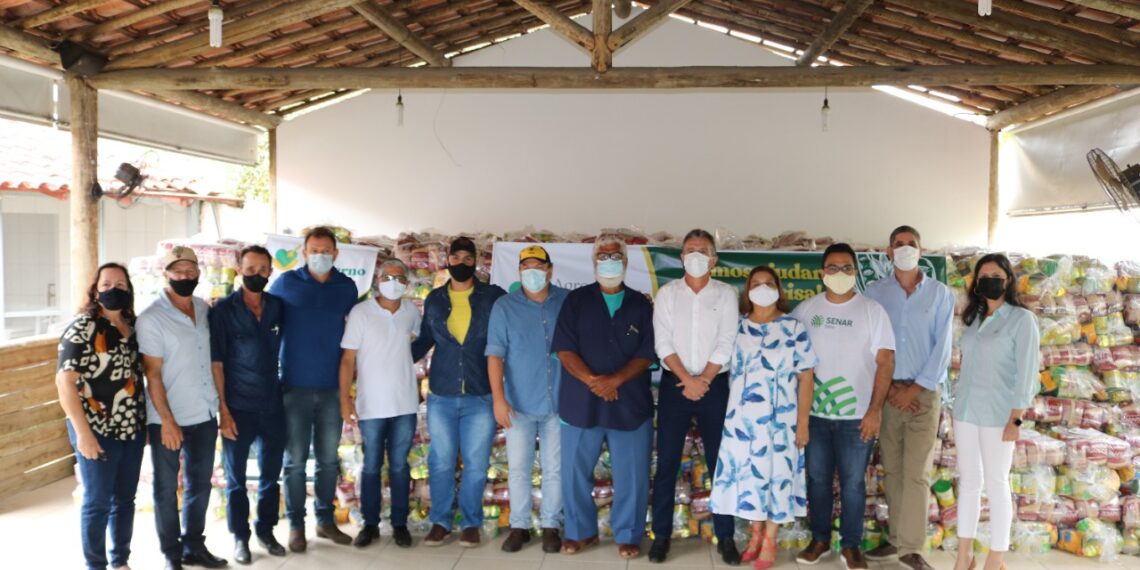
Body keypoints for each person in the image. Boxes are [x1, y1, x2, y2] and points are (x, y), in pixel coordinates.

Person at [791, 243, 895, 570]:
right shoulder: (806, 311)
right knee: (818, 480)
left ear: (855, 272)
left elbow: (886, 361)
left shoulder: (871, 311)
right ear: (822, 273)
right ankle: (820, 539)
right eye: (833, 268)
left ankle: (851, 545)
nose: (839, 274)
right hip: (815, 417)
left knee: (852, 484)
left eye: (846, 268)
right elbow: (789, 358)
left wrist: (875, 410)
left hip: (856, 418)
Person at [552, 234, 656, 560]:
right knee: (572, 472)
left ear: (625, 263)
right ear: (594, 262)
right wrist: (594, 382)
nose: (609, 261)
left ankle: (628, 535)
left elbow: (647, 353)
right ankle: (581, 533)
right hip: (580, 402)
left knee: (633, 475)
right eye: (603, 256)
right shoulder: (576, 301)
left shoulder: (641, 304)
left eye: (615, 256)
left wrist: (615, 380)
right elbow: (564, 349)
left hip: (630, 404)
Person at [711, 266, 817, 570]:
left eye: (769, 283)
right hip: (741, 420)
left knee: (777, 477)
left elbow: (806, 378)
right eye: (755, 284)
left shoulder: (794, 328)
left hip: (781, 420)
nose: (762, 288)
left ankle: (771, 539)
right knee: (748, 477)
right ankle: (755, 534)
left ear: (779, 289)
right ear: (746, 291)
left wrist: (803, 423)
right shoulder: (736, 327)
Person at [863, 226, 955, 570]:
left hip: (923, 396)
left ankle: (912, 547)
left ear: (921, 250)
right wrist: (890, 391)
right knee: (894, 470)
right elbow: (869, 346)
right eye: (898, 244)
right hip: (885, 393)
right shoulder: (874, 293)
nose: (904, 249)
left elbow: (943, 348)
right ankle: (895, 540)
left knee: (916, 472)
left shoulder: (940, 294)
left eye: (910, 244)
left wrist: (914, 389)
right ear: (888, 252)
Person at [649, 229, 741, 565]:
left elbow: (727, 341)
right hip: (676, 384)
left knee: (720, 463)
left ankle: (726, 537)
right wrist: (688, 379)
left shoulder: (726, 294)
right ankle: (661, 537)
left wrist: (703, 379)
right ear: (681, 257)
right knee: (668, 464)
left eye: (703, 250)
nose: (697, 255)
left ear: (714, 259)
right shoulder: (668, 294)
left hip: (714, 386)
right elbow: (663, 343)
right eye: (691, 249)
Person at [411, 236, 506, 547]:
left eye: (469, 258)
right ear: (447, 260)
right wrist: (392, 354)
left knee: (477, 463)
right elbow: (425, 339)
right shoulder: (435, 299)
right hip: (442, 393)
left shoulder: (493, 297)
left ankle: (470, 523)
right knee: (441, 460)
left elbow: (510, 331)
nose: (462, 263)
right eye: (457, 257)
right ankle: (440, 521)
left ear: (476, 262)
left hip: (481, 394)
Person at [269, 226, 359, 552]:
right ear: (304, 253)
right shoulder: (286, 284)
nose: (320, 255)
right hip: (293, 387)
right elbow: (267, 326)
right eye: (314, 250)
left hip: (333, 388)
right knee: (294, 462)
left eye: (326, 250)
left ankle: (325, 521)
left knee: (328, 461)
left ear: (335, 254)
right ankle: (296, 525)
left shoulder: (346, 287)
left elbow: (354, 338)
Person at [138, 246, 227, 570]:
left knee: (200, 485)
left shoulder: (204, 309)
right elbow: (153, 374)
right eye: (178, 271)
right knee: (165, 488)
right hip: (168, 419)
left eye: (191, 270)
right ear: (166, 274)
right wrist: (167, 422)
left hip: (203, 414)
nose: (185, 276)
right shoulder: (151, 318)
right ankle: (171, 554)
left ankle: (194, 547)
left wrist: (219, 409)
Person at [56, 263, 147, 570]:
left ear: (129, 291)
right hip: (95, 428)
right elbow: (64, 382)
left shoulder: (131, 326)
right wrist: (83, 434)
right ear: (95, 290)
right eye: (107, 284)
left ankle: (120, 561)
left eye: (121, 285)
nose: (113, 289)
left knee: (125, 500)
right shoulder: (83, 326)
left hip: (130, 428)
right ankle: (95, 564)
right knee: (97, 502)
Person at [952, 254, 1039, 570]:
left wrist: (1016, 419)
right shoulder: (974, 319)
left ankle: (995, 558)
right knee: (970, 482)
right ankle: (964, 556)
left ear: (1008, 280)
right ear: (976, 283)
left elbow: (1028, 374)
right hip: (965, 411)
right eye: (982, 274)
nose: (988, 278)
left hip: (999, 415)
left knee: (997, 482)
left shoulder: (1021, 320)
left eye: (995, 273)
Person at [486, 245, 569, 554]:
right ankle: (519, 526)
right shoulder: (505, 307)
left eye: (538, 266)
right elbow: (495, 355)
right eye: (526, 267)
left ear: (549, 269)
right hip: (517, 403)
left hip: (559, 403)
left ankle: (550, 526)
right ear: (519, 271)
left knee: (555, 468)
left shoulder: (566, 302)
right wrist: (498, 399)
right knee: (518, 468)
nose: (532, 272)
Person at [208, 245, 287, 565]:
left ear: (271, 271)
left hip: (272, 404)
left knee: (271, 475)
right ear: (239, 270)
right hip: (237, 407)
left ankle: (266, 531)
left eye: (263, 270)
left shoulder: (278, 307)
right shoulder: (222, 311)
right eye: (250, 269)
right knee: (236, 479)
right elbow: (216, 363)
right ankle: (240, 538)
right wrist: (223, 412)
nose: (257, 275)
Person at [339, 259, 421, 549]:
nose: (394, 282)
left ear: (407, 283)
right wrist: (345, 399)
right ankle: (370, 524)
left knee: (399, 466)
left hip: (405, 404)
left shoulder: (411, 311)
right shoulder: (361, 312)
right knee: (371, 466)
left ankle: (400, 524)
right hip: (371, 405)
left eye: (400, 277)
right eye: (388, 276)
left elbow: (419, 342)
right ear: (378, 279)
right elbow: (348, 359)